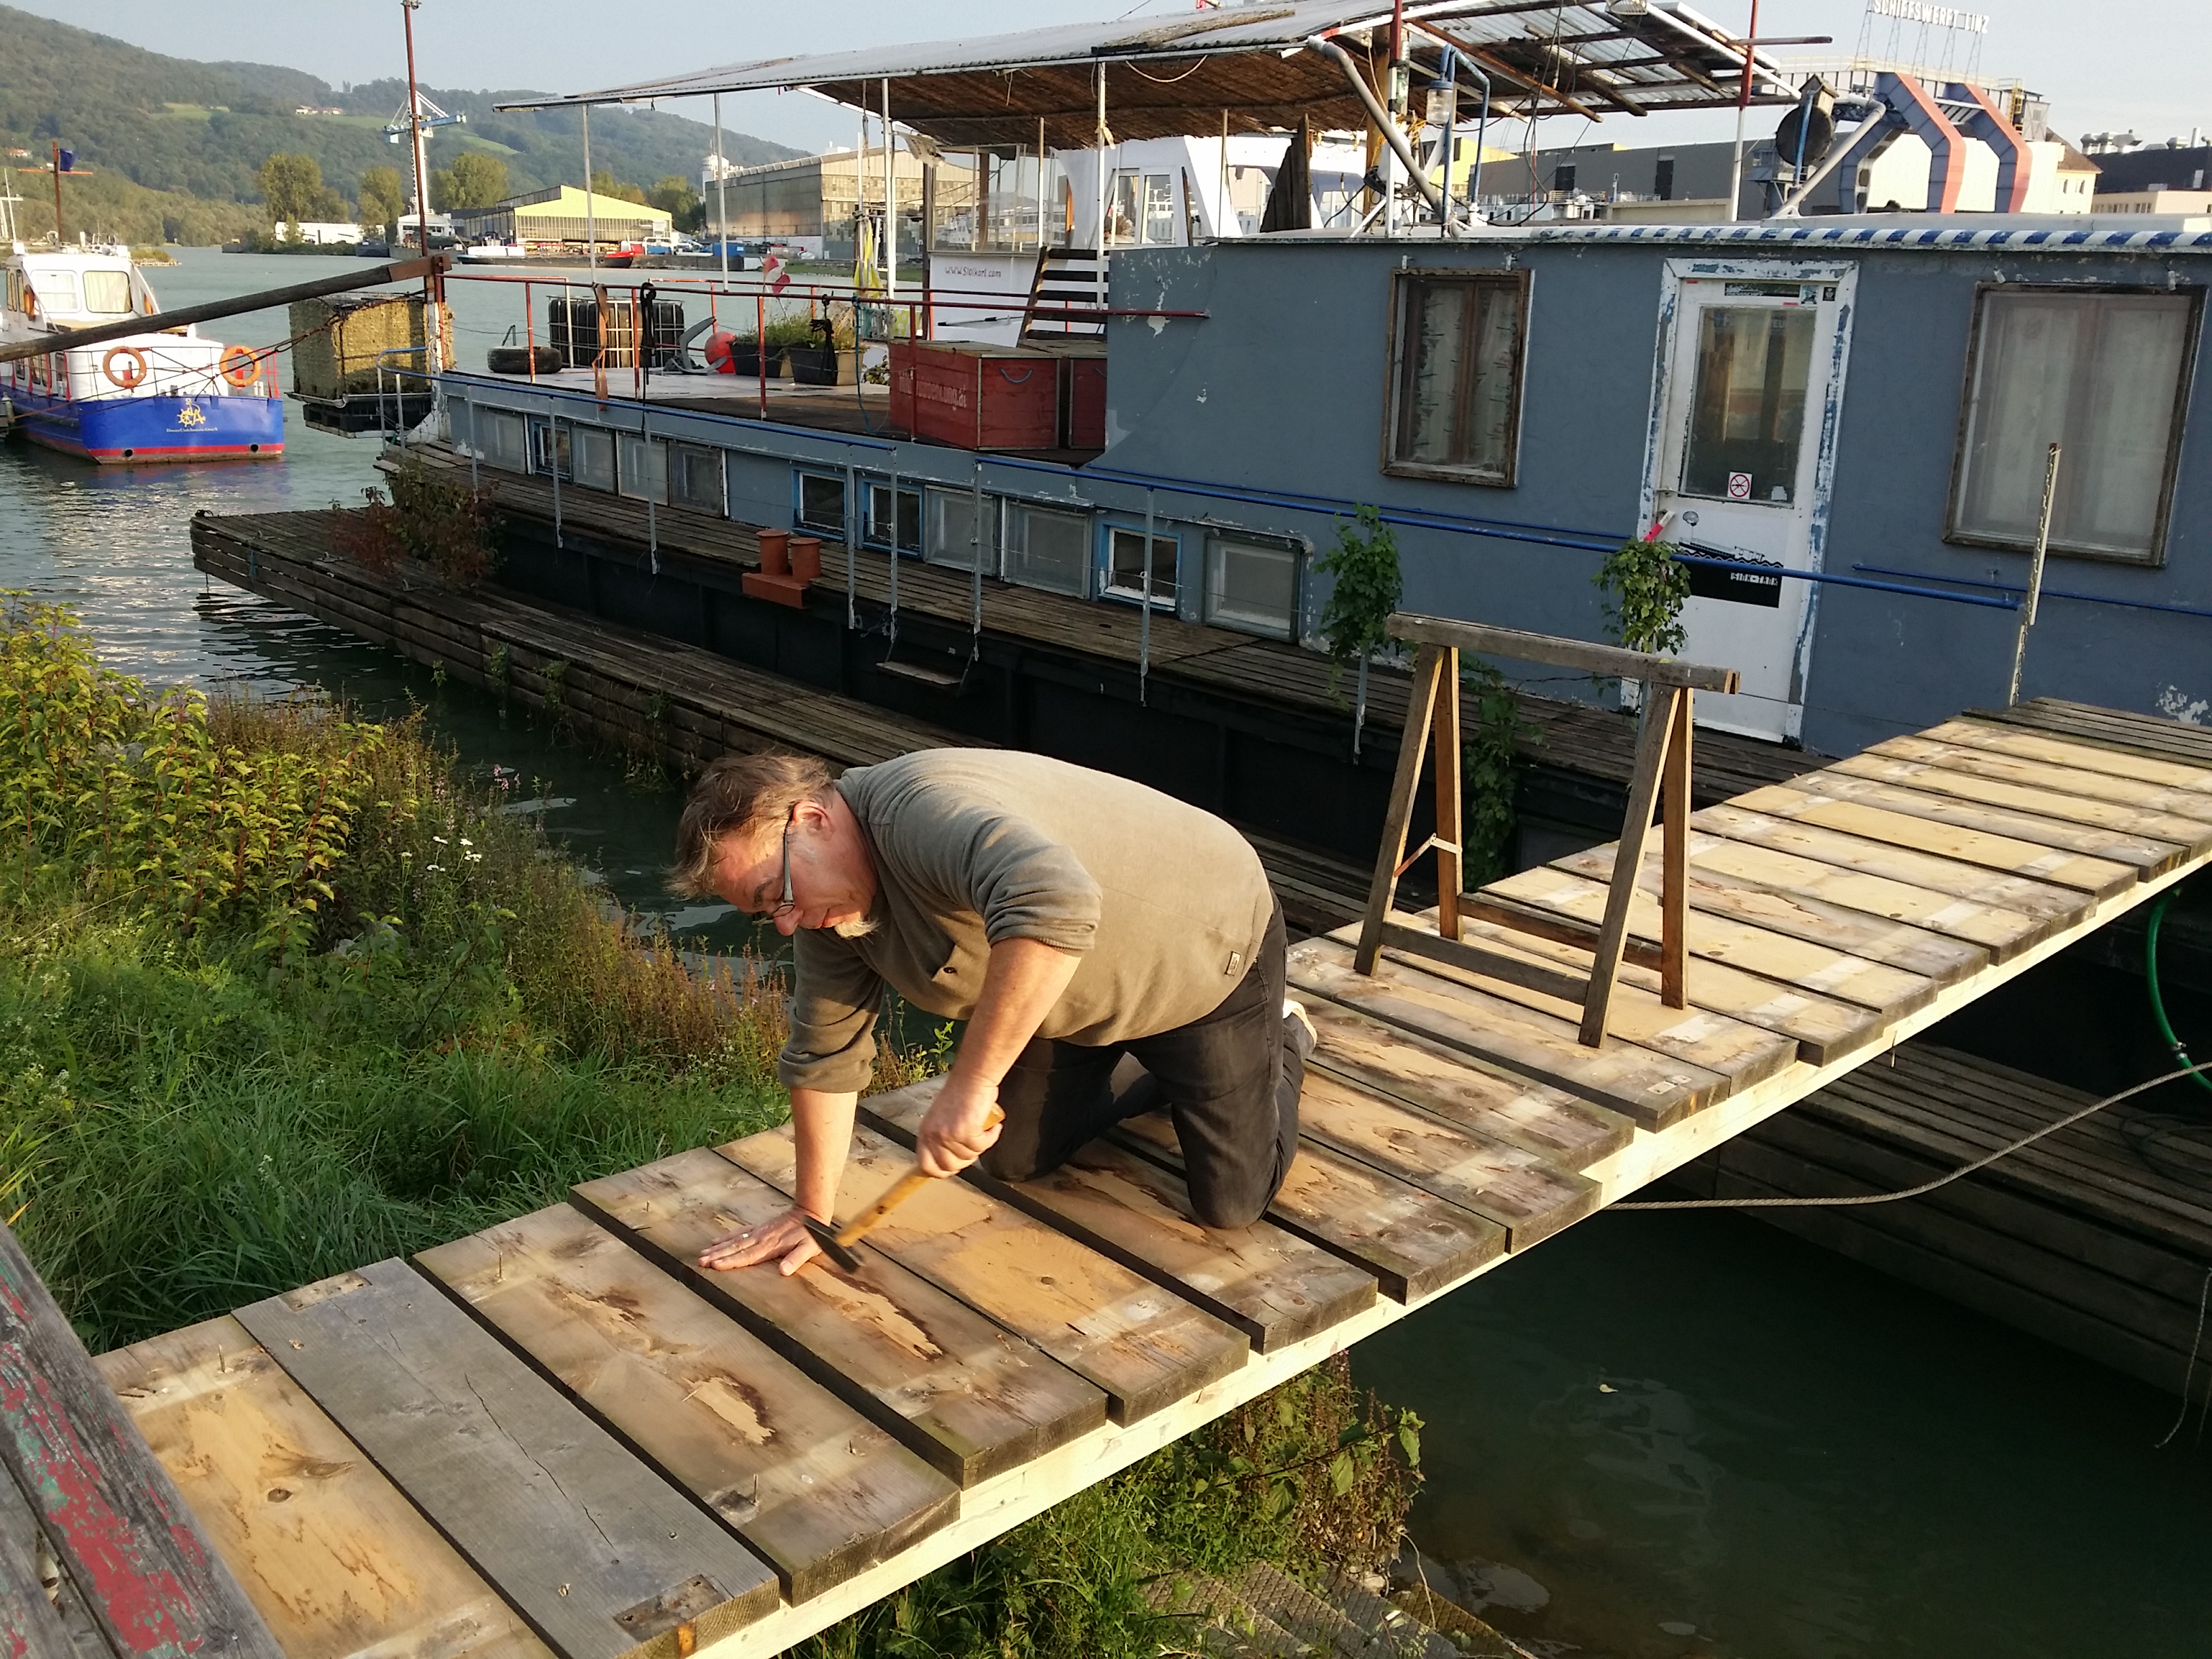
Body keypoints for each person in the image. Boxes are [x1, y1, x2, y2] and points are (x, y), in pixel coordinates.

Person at [670, 748, 1315, 1274]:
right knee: (1014, 1160)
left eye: (776, 892)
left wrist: (971, 1085)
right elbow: (825, 1055)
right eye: (764, 913)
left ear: (812, 819)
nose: (785, 923)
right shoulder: (825, 914)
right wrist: (812, 1211)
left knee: (1231, 1204)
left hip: (1203, 952)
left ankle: (1285, 1036)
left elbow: (1053, 901)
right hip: (1063, 990)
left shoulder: (919, 813)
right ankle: (1161, 1076)